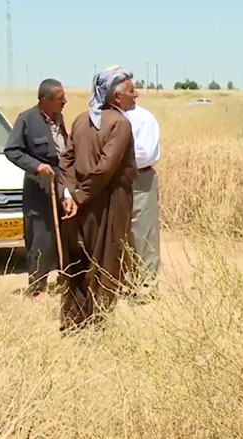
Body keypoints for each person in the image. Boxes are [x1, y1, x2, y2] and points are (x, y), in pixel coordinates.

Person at [58, 68, 138, 330]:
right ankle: (98, 324)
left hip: (81, 201)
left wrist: (70, 193)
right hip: (109, 201)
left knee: (81, 257)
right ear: (116, 97)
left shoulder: (81, 119)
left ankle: (75, 321)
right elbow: (106, 167)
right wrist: (78, 195)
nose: (136, 94)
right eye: (130, 90)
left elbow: (66, 161)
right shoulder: (120, 123)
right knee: (107, 260)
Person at [4, 78, 71, 299]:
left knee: (64, 231)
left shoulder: (58, 118)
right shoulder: (27, 119)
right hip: (39, 184)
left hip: (61, 180)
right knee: (40, 235)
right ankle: (37, 286)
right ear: (44, 100)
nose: (65, 102)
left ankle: (65, 277)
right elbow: (12, 150)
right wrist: (37, 166)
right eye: (60, 99)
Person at [125, 102, 161, 287]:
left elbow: (144, 153)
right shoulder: (104, 117)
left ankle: (147, 284)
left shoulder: (143, 118)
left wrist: (114, 158)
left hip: (140, 178)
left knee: (144, 232)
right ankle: (127, 282)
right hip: (112, 179)